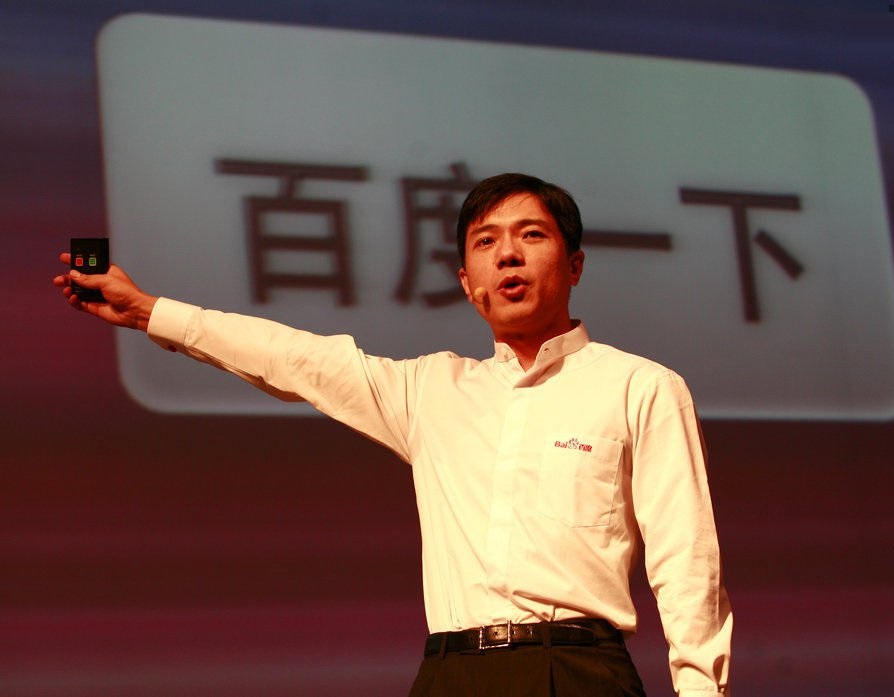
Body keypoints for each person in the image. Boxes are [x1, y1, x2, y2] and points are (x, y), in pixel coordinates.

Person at [55, 173, 732, 696]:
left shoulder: (639, 386)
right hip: (450, 673)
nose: (508, 255)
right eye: (486, 242)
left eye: (531, 235)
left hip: (576, 671)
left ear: (575, 264)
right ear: (467, 283)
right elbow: (297, 359)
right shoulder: (431, 389)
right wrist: (148, 312)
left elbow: (686, 560)